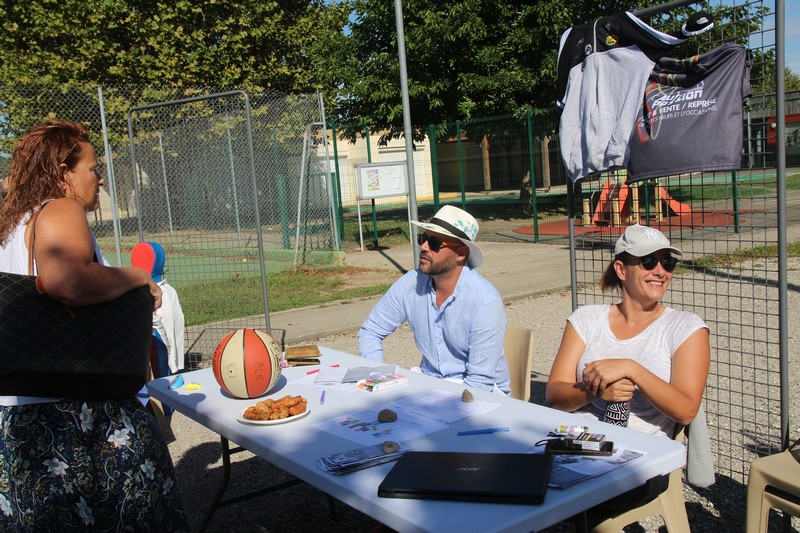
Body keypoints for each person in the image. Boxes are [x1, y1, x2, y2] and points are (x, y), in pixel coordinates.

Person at [0, 120, 188, 530]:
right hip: (79, 414)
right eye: (92, 169)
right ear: (61, 172)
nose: (100, 179)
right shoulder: (59, 208)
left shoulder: (13, 222)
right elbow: (67, 282)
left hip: (22, 416)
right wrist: (138, 277)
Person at [546, 224, 710, 518]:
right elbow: (555, 396)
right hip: (576, 442)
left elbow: (686, 411)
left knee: (551, 491)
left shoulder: (686, 328)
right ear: (621, 269)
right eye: (648, 261)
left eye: (667, 262)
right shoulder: (586, 319)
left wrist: (633, 369)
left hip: (639, 459)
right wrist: (594, 390)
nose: (660, 271)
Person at [358, 205, 511, 394]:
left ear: (461, 254)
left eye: (435, 243)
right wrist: (378, 381)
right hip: (430, 384)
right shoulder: (410, 283)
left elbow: (480, 383)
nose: (423, 247)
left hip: (480, 395)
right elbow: (370, 331)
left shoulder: (484, 302)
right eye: (422, 239)